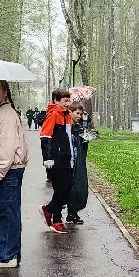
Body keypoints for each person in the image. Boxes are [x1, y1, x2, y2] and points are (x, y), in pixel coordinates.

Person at [0, 80, 28, 267]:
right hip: (11, 170)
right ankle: (9, 252)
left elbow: (5, 150)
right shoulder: (2, 114)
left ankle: (7, 256)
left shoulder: (6, 116)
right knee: (8, 212)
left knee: (7, 213)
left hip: (9, 170)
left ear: (5, 92)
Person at [39, 88, 75, 233]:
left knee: (66, 189)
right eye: (65, 101)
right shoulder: (53, 115)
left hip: (67, 158)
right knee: (60, 190)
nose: (68, 103)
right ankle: (55, 218)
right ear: (56, 101)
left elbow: (68, 135)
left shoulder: (67, 116)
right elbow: (45, 136)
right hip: (57, 160)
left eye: (68, 100)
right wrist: (47, 157)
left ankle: (49, 211)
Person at [65, 102, 94, 224]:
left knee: (78, 187)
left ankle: (73, 212)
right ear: (70, 112)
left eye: (81, 114)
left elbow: (90, 137)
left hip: (77, 161)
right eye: (77, 113)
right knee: (66, 188)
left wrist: (87, 123)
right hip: (67, 162)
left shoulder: (79, 127)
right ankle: (56, 214)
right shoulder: (65, 127)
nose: (79, 116)